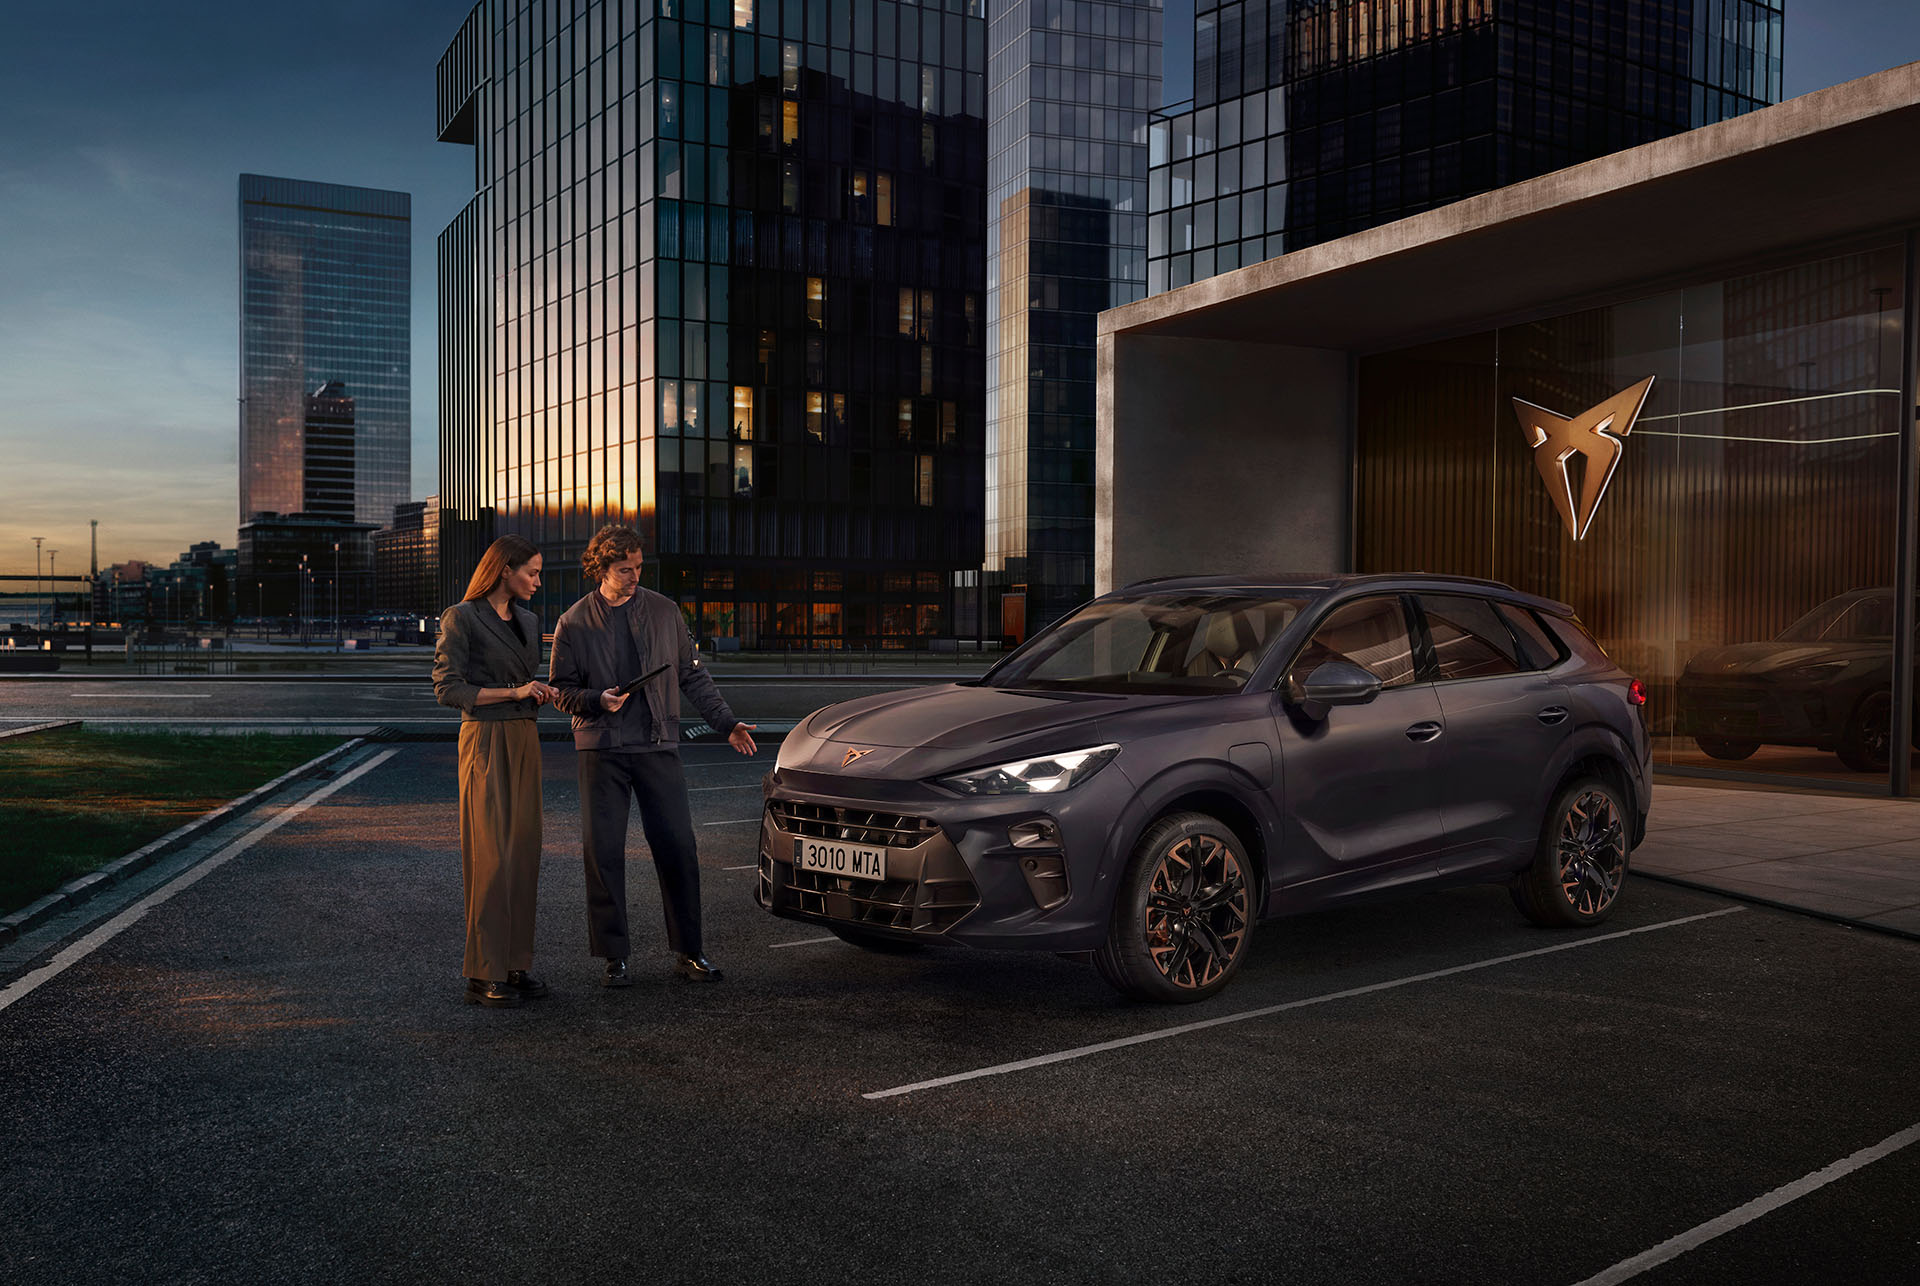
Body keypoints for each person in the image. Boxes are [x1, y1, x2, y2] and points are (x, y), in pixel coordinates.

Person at [548, 524, 757, 986]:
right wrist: (596, 701)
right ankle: (613, 954)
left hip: (658, 745)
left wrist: (726, 723)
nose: (634, 576)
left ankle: (690, 951)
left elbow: (693, 676)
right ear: (601, 568)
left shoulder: (665, 612)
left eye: (639, 567)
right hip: (601, 748)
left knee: (678, 847)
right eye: (625, 570)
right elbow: (561, 692)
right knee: (603, 853)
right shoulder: (574, 621)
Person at [432, 535, 559, 1008]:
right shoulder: (461, 617)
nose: (537, 581)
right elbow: (448, 689)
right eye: (532, 572)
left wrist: (536, 692)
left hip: (525, 738)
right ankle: (482, 972)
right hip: (484, 739)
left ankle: (513, 964)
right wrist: (513, 692)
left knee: (524, 852)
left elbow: (525, 683)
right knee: (490, 854)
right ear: (505, 570)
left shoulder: (529, 620)